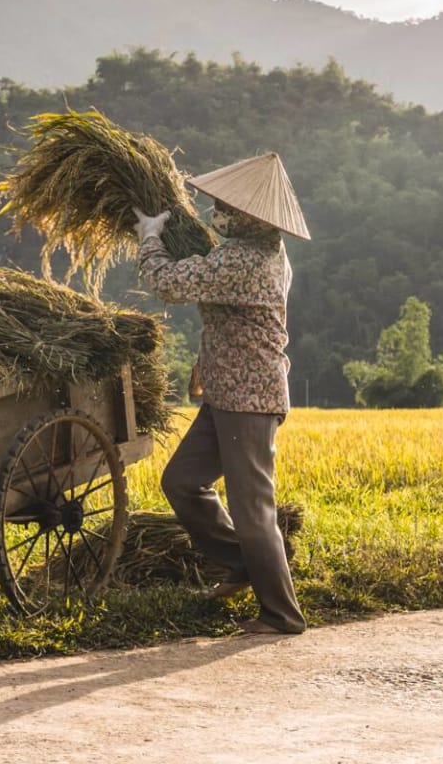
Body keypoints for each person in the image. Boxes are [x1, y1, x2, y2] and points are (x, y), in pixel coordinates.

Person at [131, 152, 312, 635]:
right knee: (183, 482)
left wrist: (149, 236)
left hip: (249, 401)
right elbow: (236, 319)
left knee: (254, 509)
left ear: (251, 216)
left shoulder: (244, 259)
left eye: (226, 207)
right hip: (227, 391)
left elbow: (168, 283)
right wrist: (203, 364)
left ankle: (281, 615)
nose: (218, 213)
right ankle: (242, 564)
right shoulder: (261, 250)